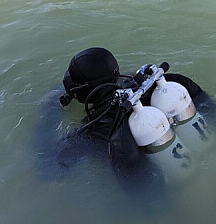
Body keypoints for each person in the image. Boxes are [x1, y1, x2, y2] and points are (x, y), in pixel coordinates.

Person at [58, 47, 208, 171]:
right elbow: (207, 105)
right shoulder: (148, 86)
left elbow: (56, 166)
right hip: (204, 148)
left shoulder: (92, 130)